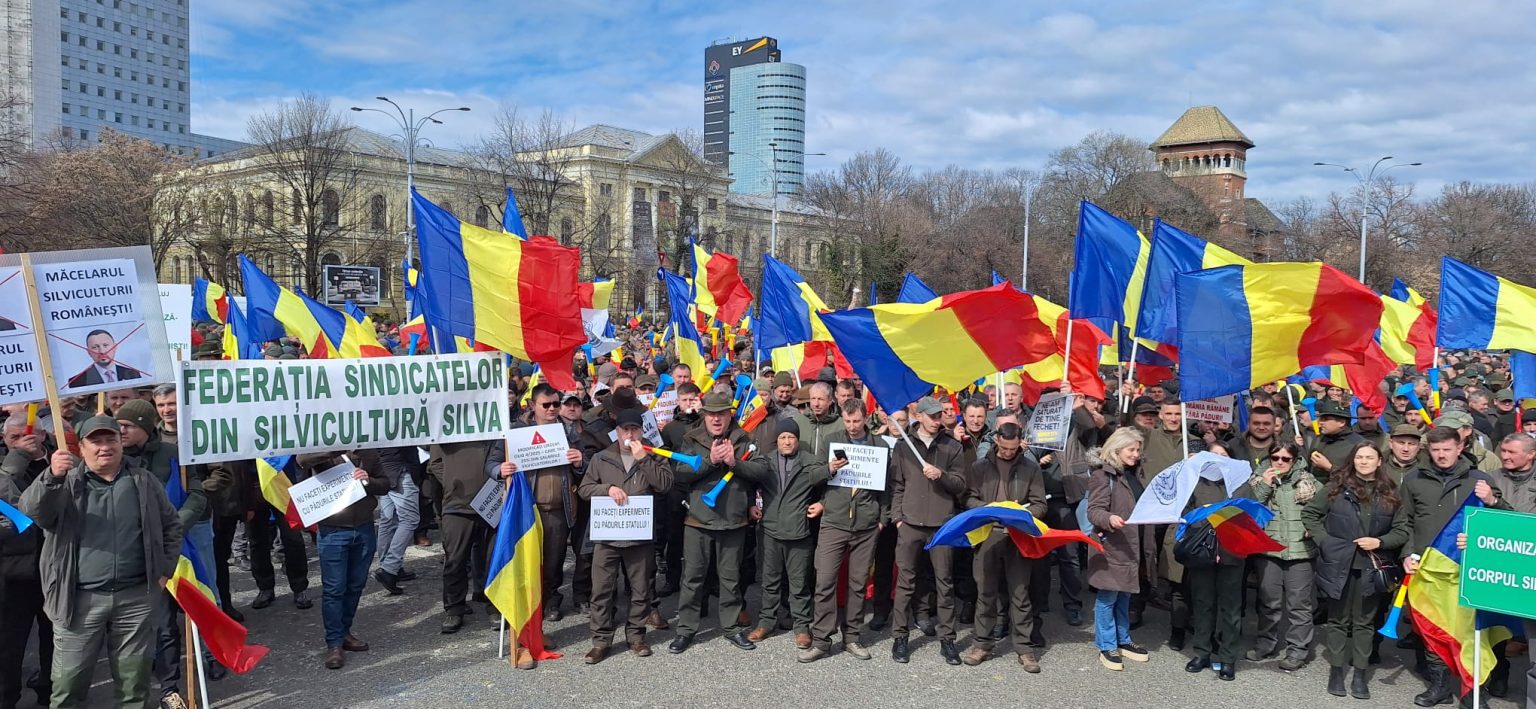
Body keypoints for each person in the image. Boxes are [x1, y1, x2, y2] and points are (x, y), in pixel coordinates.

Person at [20, 416, 181, 708]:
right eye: (96, 441)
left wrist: (164, 571)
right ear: (81, 448)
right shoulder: (65, 482)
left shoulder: (143, 480)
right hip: (79, 600)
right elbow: (32, 512)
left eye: (111, 440)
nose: (105, 447)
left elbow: (171, 525)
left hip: (136, 598)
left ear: (121, 443)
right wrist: (52, 477)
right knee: (68, 686)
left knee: (135, 686)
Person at [1400, 427, 1500, 705]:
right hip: (1427, 571)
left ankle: (1474, 692)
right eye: (1436, 449)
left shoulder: (1481, 480)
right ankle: (1440, 688)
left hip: (1468, 572)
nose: (1442, 455)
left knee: (1472, 634)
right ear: (1428, 451)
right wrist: (1407, 553)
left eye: (1447, 448)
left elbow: (1505, 524)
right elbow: (1404, 522)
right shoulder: (1413, 480)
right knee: (1433, 631)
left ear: (1460, 447)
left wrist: (1492, 500)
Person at [1303, 441, 1409, 699]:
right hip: (1339, 563)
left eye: (1369, 457)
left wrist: (1380, 542)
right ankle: (1336, 671)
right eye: (1359, 457)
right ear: (1353, 461)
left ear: (1379, 461)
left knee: (1364, 622)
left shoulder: (1390, 493)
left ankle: (1360, 674)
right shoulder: (1335, 489)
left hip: (1372, 566)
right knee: (1338, 620)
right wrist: (1325, 541)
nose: (1363, 461)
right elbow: (1310, 515)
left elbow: (1402, 529)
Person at [669, 389, 770, 654]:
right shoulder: (691, 438)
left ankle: (731, 627)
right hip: (698, 520)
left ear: (730, 415)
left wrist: (734, 462)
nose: (716, 419)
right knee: (692, 577)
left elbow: (761, 470)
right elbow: (680, 474)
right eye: (711, 414)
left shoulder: (745, 438)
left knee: (730, 578)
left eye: (721, 414)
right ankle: (686, 629)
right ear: (704, 415)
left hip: (733, 521)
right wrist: (710, 461)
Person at [577, 409, 674, 663]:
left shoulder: (655, 454)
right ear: (617, 432)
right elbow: (584, 489)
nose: (629, 434)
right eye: (624, 429)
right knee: (601, 591)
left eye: (634, 429)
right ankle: (600, 641)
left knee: (641, 590)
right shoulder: (602, 457)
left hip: (639, 536)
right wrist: (606, 488)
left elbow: (664, 485)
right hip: (607, 536)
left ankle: (636, 637)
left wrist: (644, 459)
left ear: (642, 431)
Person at [487, 384, 585, 621]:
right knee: (523, 560)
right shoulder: (515, 432)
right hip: (526, 509)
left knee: (553, 560)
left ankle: (550, 600)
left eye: (556, 404)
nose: (552, 409)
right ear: (532, 405)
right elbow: (490, 463)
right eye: (546, 405)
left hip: (558, 510)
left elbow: (587, 468)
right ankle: (516, 606)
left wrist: (580, 462)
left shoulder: (568, 433)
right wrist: (500, 469)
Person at [805, 398, 888, 662]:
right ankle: (821, 639)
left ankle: (852, 637)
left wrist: (882, 519)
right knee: (825, 580)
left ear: (866, 417)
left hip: (866, 525)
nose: (852, 426)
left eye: (856, 420)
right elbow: (812, 475)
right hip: (834, 520)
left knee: (857, 583)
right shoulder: (832, 441)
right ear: (842, 417)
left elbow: (888, 487)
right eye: (847, 420)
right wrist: (829, 469)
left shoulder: (881, 446)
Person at [888, 397, 969, 666]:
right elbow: (897, 485)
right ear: (919, 416)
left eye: (940, 415)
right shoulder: (903, 447)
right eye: (933, 416)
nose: (937, 420)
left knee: (944, 584)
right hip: (910, 524)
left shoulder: (952, 446)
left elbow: (960, 485)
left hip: (942, 525)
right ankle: (900, 636)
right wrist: (898, 518)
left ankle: (947, 640)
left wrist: (941, 475)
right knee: (905, 582)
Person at [961, 423, 1046, 672]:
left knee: (1020, 594)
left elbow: (1041, 504)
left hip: (1018, 536)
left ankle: (1024, 649)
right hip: (987, 535)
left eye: (1013, 448)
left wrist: (1020, 515)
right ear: (997, 439)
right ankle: (982, 645)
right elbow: (968, 498)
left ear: (1020, 442)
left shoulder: (1031, 468)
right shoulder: (979, 467)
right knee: (985, 593)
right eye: (1005, 447)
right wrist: (989, 509)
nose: (1009, 452)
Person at [295, 450, 389, 670]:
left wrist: (368, 480)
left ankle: (344, 632)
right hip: (333, 531)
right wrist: (337, 448)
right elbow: (302, 460)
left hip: (364, 529)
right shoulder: (323, 448)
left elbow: (385, 483)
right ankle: (334, 643)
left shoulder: (368, 450)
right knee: (334, 589)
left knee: (355, 585)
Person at [751, 417, 833, 653]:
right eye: (783, 437)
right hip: (770, 531)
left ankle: (801, 627)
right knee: (769, 581)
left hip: (799, 532)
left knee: (799, 585)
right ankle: (766, 622)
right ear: (777, 441)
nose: (787, 441)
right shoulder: (765, 461)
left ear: (798, 440)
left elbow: (827, 481)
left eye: (791, 437)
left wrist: (824, 501)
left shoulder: (809, 462)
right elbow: (747, 478)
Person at [1085, 427, 1154, 672]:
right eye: (1131, 449)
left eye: (1138, 449)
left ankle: (1122, 639)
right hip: (1112, 544)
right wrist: (1109, 518)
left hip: (1131, 544)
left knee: (1124, 594)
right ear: (1117, 449)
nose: (1136, 454)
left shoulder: (1136, 473)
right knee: (1108, 597)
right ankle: (1106, 644)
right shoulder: (1103, 476)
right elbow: (1093, 510)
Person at [1247, 441, 1316, 672]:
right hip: (1269, 549)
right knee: (1269, 601)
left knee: (1299, 604)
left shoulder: (1307, 481)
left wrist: (1313, 528)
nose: (1279, 462)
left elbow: (1322, 508)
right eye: (1275, 457)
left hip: (1300, 550)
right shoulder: (1259, 478)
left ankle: (1297, 650)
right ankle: (1266, 643)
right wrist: (1266, 485)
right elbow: (1251, 509)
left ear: (1294, 460)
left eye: (1285, 459)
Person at [0, 429, 50, 709]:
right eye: (14, 436)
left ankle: (49, 693)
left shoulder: (58, 462)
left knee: (54, 639)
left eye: (28, 434)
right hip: (10, 572)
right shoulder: (6, 467)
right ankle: (7, 698)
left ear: (43, 435)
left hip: (52, 570)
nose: (22, 441)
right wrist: (18, 458)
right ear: (5, 439)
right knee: (8, 644)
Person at [431, 440, 495, 636]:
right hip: (456, 505)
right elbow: (435, 463)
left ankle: (496, 607)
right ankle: (454, 609)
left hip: (491, 501)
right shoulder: (446, 427)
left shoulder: (492, 420)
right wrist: (452, 482)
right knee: (455, 560)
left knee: (493, 558)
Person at [373, 445, 424, 595]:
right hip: (401, 468)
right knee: (409, 520)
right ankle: (389, 569)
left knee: (388, 520)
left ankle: (388, 566)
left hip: (383, 468)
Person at [1306, 400, 1366, 481]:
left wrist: (1329, 468)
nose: (1320, 423)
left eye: (1326, 419)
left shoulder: (1359, 445)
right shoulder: (1319, 438)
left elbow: (1360, 478)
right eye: (1320, 418)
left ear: (1341, 422)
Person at [66, 329, 145, 388]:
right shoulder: (77, 381)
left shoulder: (133, 374)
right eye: (95, 347)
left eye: (105, 345)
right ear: (88, 352)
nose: (102, 351)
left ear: (115, 347)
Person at [789, 381, 842, 460]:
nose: (816, 404)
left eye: (820, 399)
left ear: (830, 400)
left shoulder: (841, 425)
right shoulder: (797, 421)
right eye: (813, 399)